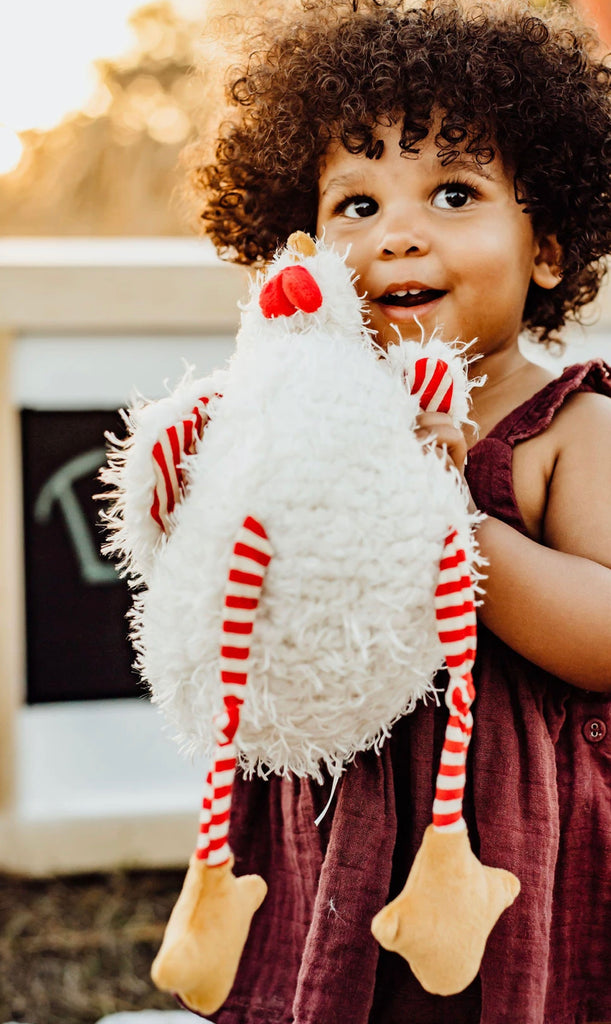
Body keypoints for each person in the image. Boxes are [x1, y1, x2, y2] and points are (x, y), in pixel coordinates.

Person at [183, 1, 611, 1021]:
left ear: (545, 247)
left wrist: (440, 522)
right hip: (331, 808)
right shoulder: (320, 413)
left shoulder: (567, 426)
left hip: (506, 836)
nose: (397, 233)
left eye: (452, 193)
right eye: (355, 204)